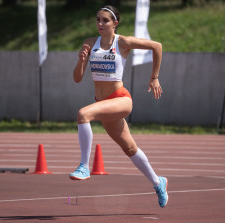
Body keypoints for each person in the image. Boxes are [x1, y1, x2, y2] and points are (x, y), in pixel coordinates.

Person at [69, 5, 168, 208]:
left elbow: (157, 46)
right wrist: (80, 61)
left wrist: (154, 78)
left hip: (121, 99)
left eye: (105, 20)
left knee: (83, 114)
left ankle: (84, 167)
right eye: (97, 19)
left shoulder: (122, 42)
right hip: (103, 104)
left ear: (115, 23)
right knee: (130, 148)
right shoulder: (89, 43)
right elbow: (77, 79)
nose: (100, 24)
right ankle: (159, 183)